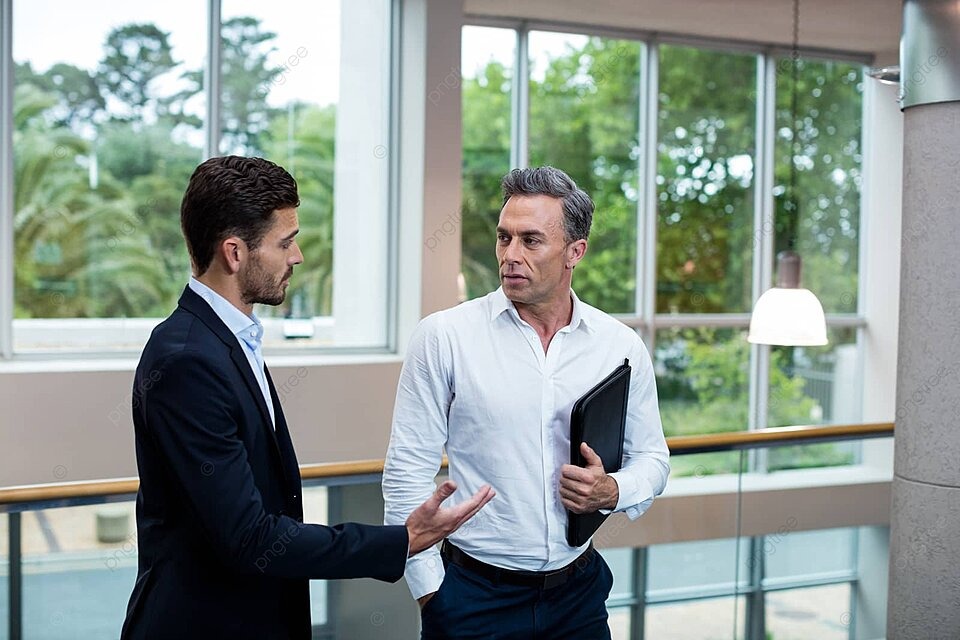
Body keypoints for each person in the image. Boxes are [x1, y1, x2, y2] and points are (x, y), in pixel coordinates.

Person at [121, 156, 494, 640]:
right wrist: (401, 540)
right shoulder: (188, 359)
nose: (296, 256)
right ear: (235, 253)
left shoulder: (229, 339)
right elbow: (250, 538)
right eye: (285, 242)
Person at [382, 166, 670, 639]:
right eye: (504, 238)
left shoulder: (619, 346)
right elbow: (406, 472)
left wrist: (612, 491)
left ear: (575, 252)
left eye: (531, 240)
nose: (510, 255)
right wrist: (431, 591)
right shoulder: (444, 336)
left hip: (579, 595)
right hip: (471, 597)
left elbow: (654, 459)